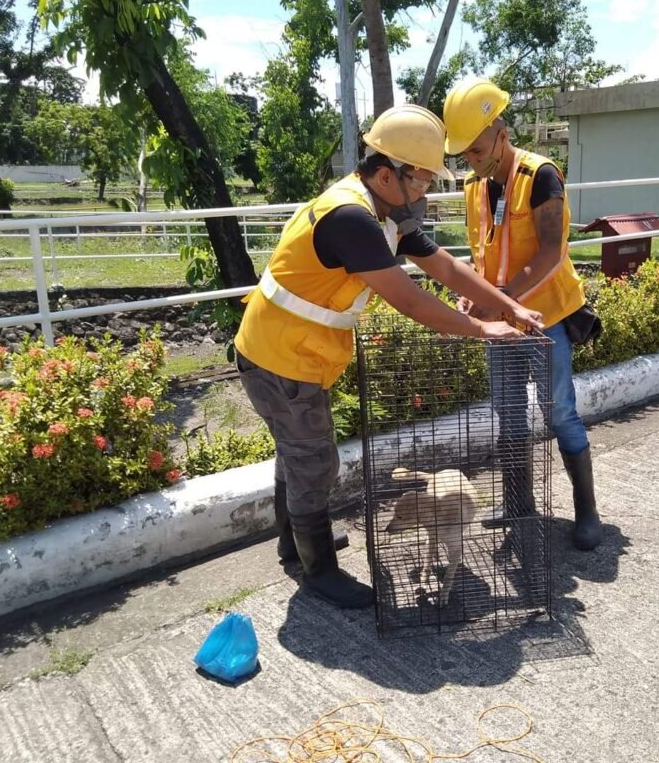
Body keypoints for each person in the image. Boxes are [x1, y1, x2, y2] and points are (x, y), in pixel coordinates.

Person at [234, 104, 543, 610]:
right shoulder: (352, 218)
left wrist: (507, 305)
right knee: (314, 462)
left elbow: (439, 264)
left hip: (287, 352)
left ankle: (296, 543)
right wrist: (483, 329)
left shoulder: (381, 210)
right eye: (420, 181)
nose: (423, 193)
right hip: (280, 358)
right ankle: (319, 571)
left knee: (299, 452)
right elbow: (411, 299)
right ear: (386, 174)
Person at [443, 78, 602, 552]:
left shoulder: (540, 176)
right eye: (464, 154)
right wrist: (474, 294)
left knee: (559, 414)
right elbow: (483, 251)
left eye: (476, 148)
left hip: (544, 316)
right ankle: (519, 506)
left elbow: (551, 252)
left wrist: (502, 299)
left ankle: (587, 511)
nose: (471, 159)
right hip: (500, 322)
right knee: (508, 415)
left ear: (500, 130)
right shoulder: (476, 187)